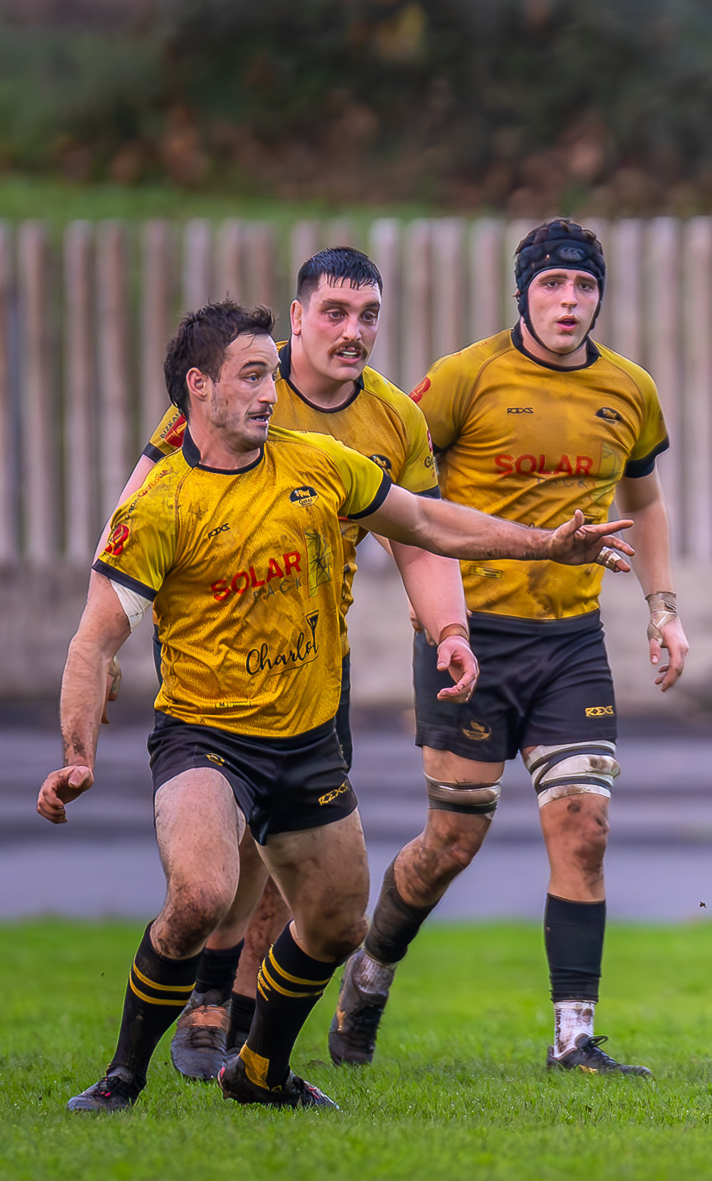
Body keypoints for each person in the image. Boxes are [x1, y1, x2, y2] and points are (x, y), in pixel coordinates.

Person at [42, 301, 635, 1112]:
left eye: (271, 374)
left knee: (336, 925)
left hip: (307, 742)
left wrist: (546, 544)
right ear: (199, 387)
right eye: (253, 375)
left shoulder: (320, 463)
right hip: (206, 738)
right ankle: (122, 1077)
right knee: (201, 897)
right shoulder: (160, 506)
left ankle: (261, 1072)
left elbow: (424, 522)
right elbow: (92, 642)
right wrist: (77, 757)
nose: (270, 391)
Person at [325, 218, 688, 1079]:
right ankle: (370, 975)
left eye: (584, 286)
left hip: (571, 643)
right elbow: (395, 486)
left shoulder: (629, 388)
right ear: (522, 293)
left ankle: (574, 1040)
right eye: (552, 284)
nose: (569, 301)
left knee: (584, 826)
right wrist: (426, 600)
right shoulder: (464, 377)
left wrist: (664, 608)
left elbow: (645, 502)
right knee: (451, 842)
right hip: (472, 641)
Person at [110, 248, 474, 1083]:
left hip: (313, 654)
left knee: (292, 852)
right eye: (336, 312)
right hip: (214, 650)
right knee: (230, 838)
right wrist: (105, 637)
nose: (354, 331)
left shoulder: (394, 420)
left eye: (368, 315)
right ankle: (207, 1004)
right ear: (299, 317)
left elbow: (421, 536)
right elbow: (139, 501)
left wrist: (449, 629)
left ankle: (242, 1025)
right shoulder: (237, 381)